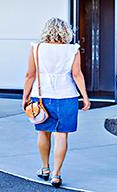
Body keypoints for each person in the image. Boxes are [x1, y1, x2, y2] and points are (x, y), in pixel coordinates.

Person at [22, 18, 92, 188]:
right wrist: (85, 97)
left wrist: (25, 97)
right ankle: (56, 174)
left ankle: (45, 168)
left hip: (41, 97)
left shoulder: (36, 48)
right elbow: (77, 74)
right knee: (61, 135)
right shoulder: (72, 49)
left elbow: (30, 75)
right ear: (66, 31)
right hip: (67, 96)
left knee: (43, 132)